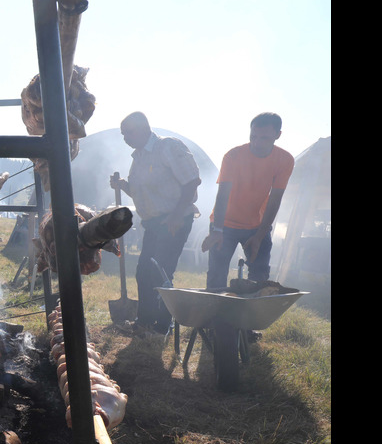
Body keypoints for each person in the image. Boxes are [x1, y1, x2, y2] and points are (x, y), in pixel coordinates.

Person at [110, 111, 202, 335]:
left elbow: (192, 182)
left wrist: (177, 216)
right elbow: (141, 193)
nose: (125, 139)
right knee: (144, 271)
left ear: (144, 129)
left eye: (128, 133)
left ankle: (162, 327)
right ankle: (144, 322)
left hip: (174, 220)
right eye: (123, 135)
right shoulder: (138, 157)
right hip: (153, 223)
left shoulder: (168, 147)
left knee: (160, 272)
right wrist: (122, 184)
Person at [202, 112, 295, 289]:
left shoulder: (285, 160)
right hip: (225, 224)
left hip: (257, 226)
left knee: (259, 277)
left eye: (264, 138)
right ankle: (214, 315)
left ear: (278, 135)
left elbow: (275, 199)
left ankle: (251, 315)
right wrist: (217, 230)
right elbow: (222, 195)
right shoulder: (233, 156)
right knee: (216, 275)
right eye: (254, 136)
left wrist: (260, 235)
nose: (257, 143)